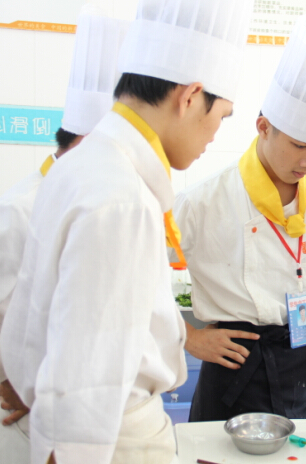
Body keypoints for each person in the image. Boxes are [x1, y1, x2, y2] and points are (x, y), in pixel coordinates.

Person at [0, 1, 253, 463]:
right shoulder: (122, 199)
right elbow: (84, 398)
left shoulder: (82, 165)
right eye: (221, 116)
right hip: (118, 440)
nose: (214, 135)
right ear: (191, 97)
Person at [173, 15, 306, 421]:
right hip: (234, 363)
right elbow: (138, 267)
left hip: (303, 359)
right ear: (263, 127)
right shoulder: (204, 201)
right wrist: (187, 337)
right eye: (298, 145)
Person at [0, 10, 128, 463]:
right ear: (86, 142)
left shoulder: (107, 205)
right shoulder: (20, 209)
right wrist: (10, 385)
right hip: (27, 422)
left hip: (92, 419)